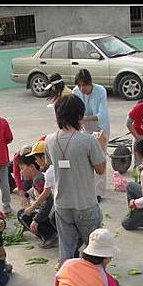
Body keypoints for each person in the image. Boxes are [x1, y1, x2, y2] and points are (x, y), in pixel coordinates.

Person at [45, 94, 106, 264]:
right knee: (94, 249)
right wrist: (100, 145)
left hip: (62, 203)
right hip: (85, 203)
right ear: (80, 115)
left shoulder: (49, 140)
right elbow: (100, 170)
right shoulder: (88, 141)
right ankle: (96, 281)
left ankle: (66, 282)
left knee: (66, 248)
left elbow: (49, 163)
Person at [72, 69, 110, 202]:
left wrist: (84, 119)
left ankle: (99, 192)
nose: (82, 88)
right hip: (84, 128)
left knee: (99, 157)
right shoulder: (75, 92)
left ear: (90, 83)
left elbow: (101, 114)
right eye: (79, 85)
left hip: (100, 127)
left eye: (84, 85)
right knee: (85, 158)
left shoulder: (101, 91)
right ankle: (87, 187)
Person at [16, 146, 58, 249]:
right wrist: (26, 194)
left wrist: (37, 220)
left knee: (24, 216)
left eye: (22, 168)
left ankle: (50, 235)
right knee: (22, 213)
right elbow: (36, 190)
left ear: (31, 167)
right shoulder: (40, 176)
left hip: (53, 214)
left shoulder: (38, 180)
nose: (21, 172)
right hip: (52, 213)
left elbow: (48, 202)